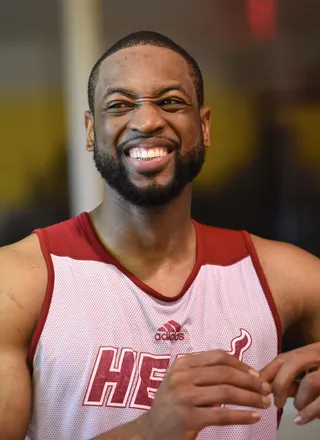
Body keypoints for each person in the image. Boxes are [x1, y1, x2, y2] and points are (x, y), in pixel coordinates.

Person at [0, 31, 319, 440]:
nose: (147, 121)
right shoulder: (21, 280)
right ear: (91, 130)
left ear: (203, 126)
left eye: (170, 102)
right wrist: (150, 430)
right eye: (119, 105)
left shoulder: (278, 274)